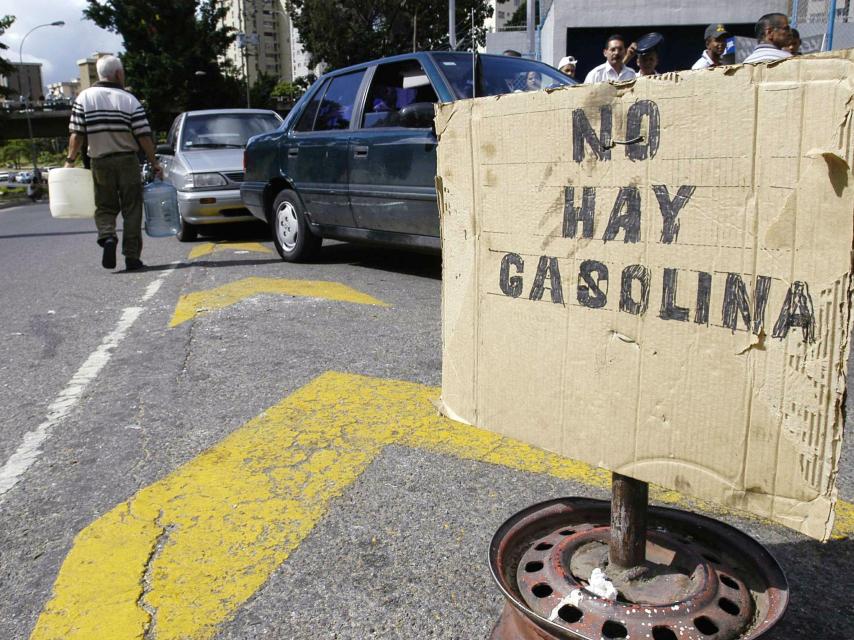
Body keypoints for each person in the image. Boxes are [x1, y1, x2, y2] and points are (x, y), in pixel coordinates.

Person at [64, 55, 161, 271]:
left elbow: (76, 134)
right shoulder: (129, 100)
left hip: (99, 162)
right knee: (132, 209)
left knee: (105, 206)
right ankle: (132, 257)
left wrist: (70, 161)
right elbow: (144, 135)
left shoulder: (83, 98)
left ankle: (107, 236)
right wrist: (154, 163)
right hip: (127, 160)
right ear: (118, 74)